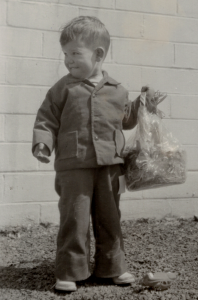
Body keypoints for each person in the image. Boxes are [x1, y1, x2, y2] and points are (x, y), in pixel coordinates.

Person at [32, 16, 151, 292]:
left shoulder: (118, 90)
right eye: (65, 54)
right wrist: (43, 143)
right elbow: (46, 118)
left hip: (110, 165)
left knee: (110, 218)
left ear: (98, 54)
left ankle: (112, 266)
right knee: (75, 218)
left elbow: (126, 120)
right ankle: (70, 271)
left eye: (75, 53)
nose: (68, 60)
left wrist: (142, 105)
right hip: (73, 166)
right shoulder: (63, 88)